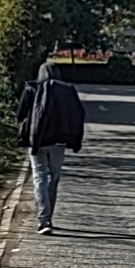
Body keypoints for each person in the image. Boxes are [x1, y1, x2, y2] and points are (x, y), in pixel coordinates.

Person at [17, 62, 85, 235]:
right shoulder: (67, 90)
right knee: (53, 178)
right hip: (59, 142)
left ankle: (43, 219)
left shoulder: (32, 89)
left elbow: (20, 114)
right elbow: (78, 113)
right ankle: (49, 218)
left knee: (39, 178)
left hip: (38, 141)